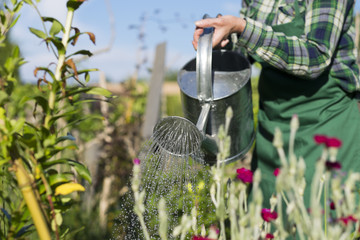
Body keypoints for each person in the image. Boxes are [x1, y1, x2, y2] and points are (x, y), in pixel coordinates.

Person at [192, 0, 360, 214]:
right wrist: (223, 39)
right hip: (273, 125)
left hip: (325, 119)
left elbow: (315, 56)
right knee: (269, 221)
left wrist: (243, 28)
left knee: (320, 220)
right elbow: (248, 52)